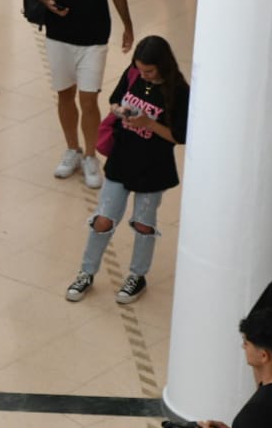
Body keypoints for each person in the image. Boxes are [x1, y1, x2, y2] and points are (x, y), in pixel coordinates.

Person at [66, 35, 188, 306]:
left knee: (144, 223)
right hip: (122, 158)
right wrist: (121, 111)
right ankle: (86, 271)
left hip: (153, 167)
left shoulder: (179, 91)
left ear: (162, 66)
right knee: (103, 218)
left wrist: (149, 124)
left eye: (149, 71)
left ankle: (137, 275)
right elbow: (114, 99)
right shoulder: (133, 73)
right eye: (140, 69)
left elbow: (179, 136)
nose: (143, 75)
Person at [30, 0, 134, 189]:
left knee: (89, 99)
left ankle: (90, 156)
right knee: (65, 94)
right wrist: (48, 2)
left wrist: (127, 24)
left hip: (95, 37)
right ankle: (72, 149)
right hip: (59, 35)